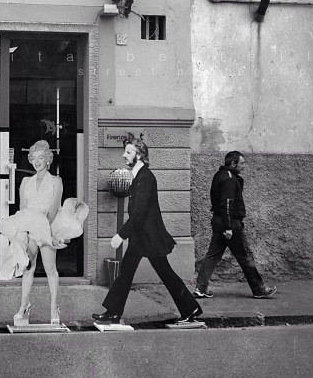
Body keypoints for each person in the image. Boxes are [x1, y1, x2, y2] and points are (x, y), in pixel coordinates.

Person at [93, 136, 201, 324]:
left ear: (140, 155)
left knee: (165, 273)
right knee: (126, 273)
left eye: (128, 152)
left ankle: (190, 308)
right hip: (141, 236)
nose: (123, 155)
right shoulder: (138, 176)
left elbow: (140, 213)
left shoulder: (146, 178)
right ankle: (113, 312)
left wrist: (121, 234)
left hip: (149, 237)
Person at [194, 151, 276, 299]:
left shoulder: (220, 175)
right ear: (233, 163)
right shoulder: (230, 179)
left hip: (219, 221)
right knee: (245, 255)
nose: (244, 166)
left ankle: (200, 288)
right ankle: (259, 290)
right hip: (230, 223)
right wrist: (228, 227)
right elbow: (227, 204)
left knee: (213, 255)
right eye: (242, 163)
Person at [0, 140, 64, 325]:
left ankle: (54, 308)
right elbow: (22, 210)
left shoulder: (56, 181)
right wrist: (27, 232)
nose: (37, 161)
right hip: (30, 229)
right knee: (28, 268)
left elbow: (53, 210)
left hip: (48, 229)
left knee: (50, 269)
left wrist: (41, 230)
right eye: (33, 158)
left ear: (48, 159)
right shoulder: (26, 181)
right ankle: (24, 307)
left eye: (41, 157)